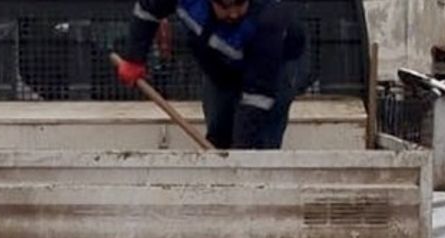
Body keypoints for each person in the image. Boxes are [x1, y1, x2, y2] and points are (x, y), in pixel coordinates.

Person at [118, 0, 305, 149]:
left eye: (239, 4)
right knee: (219, 132)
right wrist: (134, 58)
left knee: (259, 142)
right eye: (225, 6)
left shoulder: (269, 20)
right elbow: (147, 10)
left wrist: (241, 154)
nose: (233, 13)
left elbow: (257, 97)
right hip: (219, 67)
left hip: (272, 70)